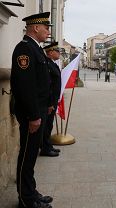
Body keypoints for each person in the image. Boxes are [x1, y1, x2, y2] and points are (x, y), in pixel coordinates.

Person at [10, 12, 53, 208]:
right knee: (27, 156)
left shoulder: (35, 49)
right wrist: (34, 116)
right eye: (46, 27)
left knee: (31, 155)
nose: (48, 31)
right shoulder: (25, 49)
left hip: (39, 111)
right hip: (31, 115)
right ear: (35, 28)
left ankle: (31, 192)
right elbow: (26, 87)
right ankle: (25, 200)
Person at [40, 42, 62, 157]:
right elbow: (48, 85)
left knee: (49, 125)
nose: (59, 53)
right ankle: (45, 148)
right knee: (47, 125)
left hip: (53, 100)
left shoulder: (52, 64)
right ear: (50, 52)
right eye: (57, 51)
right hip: (50, 101)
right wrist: (50, 103)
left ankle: (47, 145)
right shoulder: (47, 65)